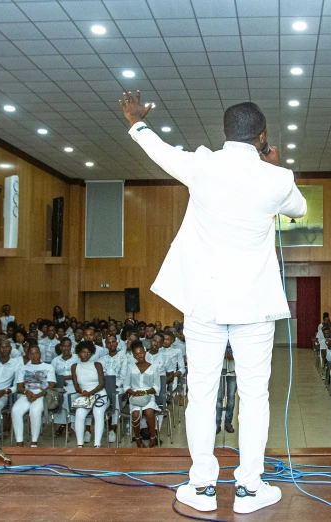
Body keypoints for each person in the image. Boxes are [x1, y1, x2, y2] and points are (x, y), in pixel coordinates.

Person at [121, 92, 306, 513]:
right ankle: (249, 489)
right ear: (262, 137)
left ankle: (203, 487)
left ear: (226, 133)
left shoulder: (202, 165)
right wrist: (275, 167)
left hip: (203, 302)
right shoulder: (277, 177)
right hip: (254, 306)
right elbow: (299, 207)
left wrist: (137, 121)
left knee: (201, 393)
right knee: (254, 394)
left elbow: (159, 150)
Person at [11, 346, 54, 447]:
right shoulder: (23, 368)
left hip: (41, 395)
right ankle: (19, 441)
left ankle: (34, 441)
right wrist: (27, 392)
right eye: (32, 354)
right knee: (15, 410)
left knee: (34, 411)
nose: (35, 356)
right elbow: (19, 387)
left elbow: (51, 385)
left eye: (37, 353)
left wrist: (38, 395)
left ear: (40, 354)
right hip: (26, 395)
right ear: (29, 355)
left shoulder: (48, 367)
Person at [124, 342, 162, 447]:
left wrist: (145, 392)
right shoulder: (130, 367)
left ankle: (153, 437)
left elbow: (156, 387)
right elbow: (126, 386)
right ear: (133, 356)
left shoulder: (154, 367)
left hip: (149, 395)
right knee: (135, 414)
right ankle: (137, 438)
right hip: (135, 396)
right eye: (136, 354)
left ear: (145, 353)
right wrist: (133, 392)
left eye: (141, 353)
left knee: (149, 412)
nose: (139, 355)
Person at [71, 341, 108, 448]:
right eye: (83, 352)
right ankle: (80, 444)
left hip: (99, 395)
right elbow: (76, 387)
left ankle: (97, 444)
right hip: (85, 396)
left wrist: (91, 393)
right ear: (78, 353)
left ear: (91, 353)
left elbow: (101, 384)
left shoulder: (97, 365)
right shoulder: (75, 366)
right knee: (79, 413)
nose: (85, 355)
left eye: (88, 353)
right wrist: (83, 393)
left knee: (98, 412)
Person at [216, 344, 236, 435]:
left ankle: (228, 422)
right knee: (219, 397)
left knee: (231, 397)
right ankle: (217, 423)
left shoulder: (237, 337)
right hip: (220, 371)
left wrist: (231, 354)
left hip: (233, 371)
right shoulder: (220, 337)